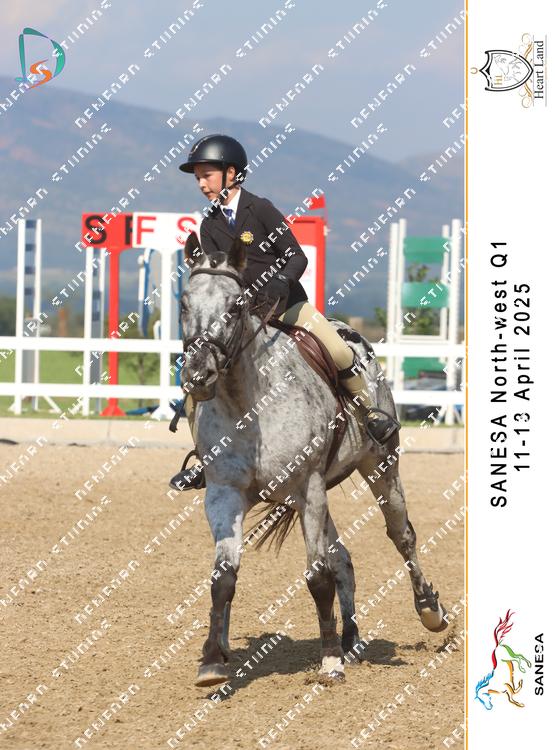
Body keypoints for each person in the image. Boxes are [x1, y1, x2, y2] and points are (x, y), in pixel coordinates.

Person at [169, 134, 399, 491]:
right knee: (198, 372)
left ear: (231, 173)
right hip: (242, 319)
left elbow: (296, 256)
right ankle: (205, 456)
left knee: (338, 349)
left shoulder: (260, 209)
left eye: (207, 175)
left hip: (286, 305)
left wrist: (279, 282)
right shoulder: (209, 224)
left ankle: (370, 414)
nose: (201, 184)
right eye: (197, 177)